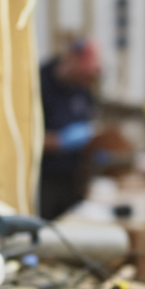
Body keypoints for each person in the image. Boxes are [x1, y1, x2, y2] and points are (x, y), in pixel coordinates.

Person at [38, 37, 100, 220]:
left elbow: (89, 126)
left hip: (72, 180)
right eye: (84, 73)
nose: (86, 79)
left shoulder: (83, 90)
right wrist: (61, 141)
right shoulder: (38, 83)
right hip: (44, 180)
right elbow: (24, 139)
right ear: (72, 58)